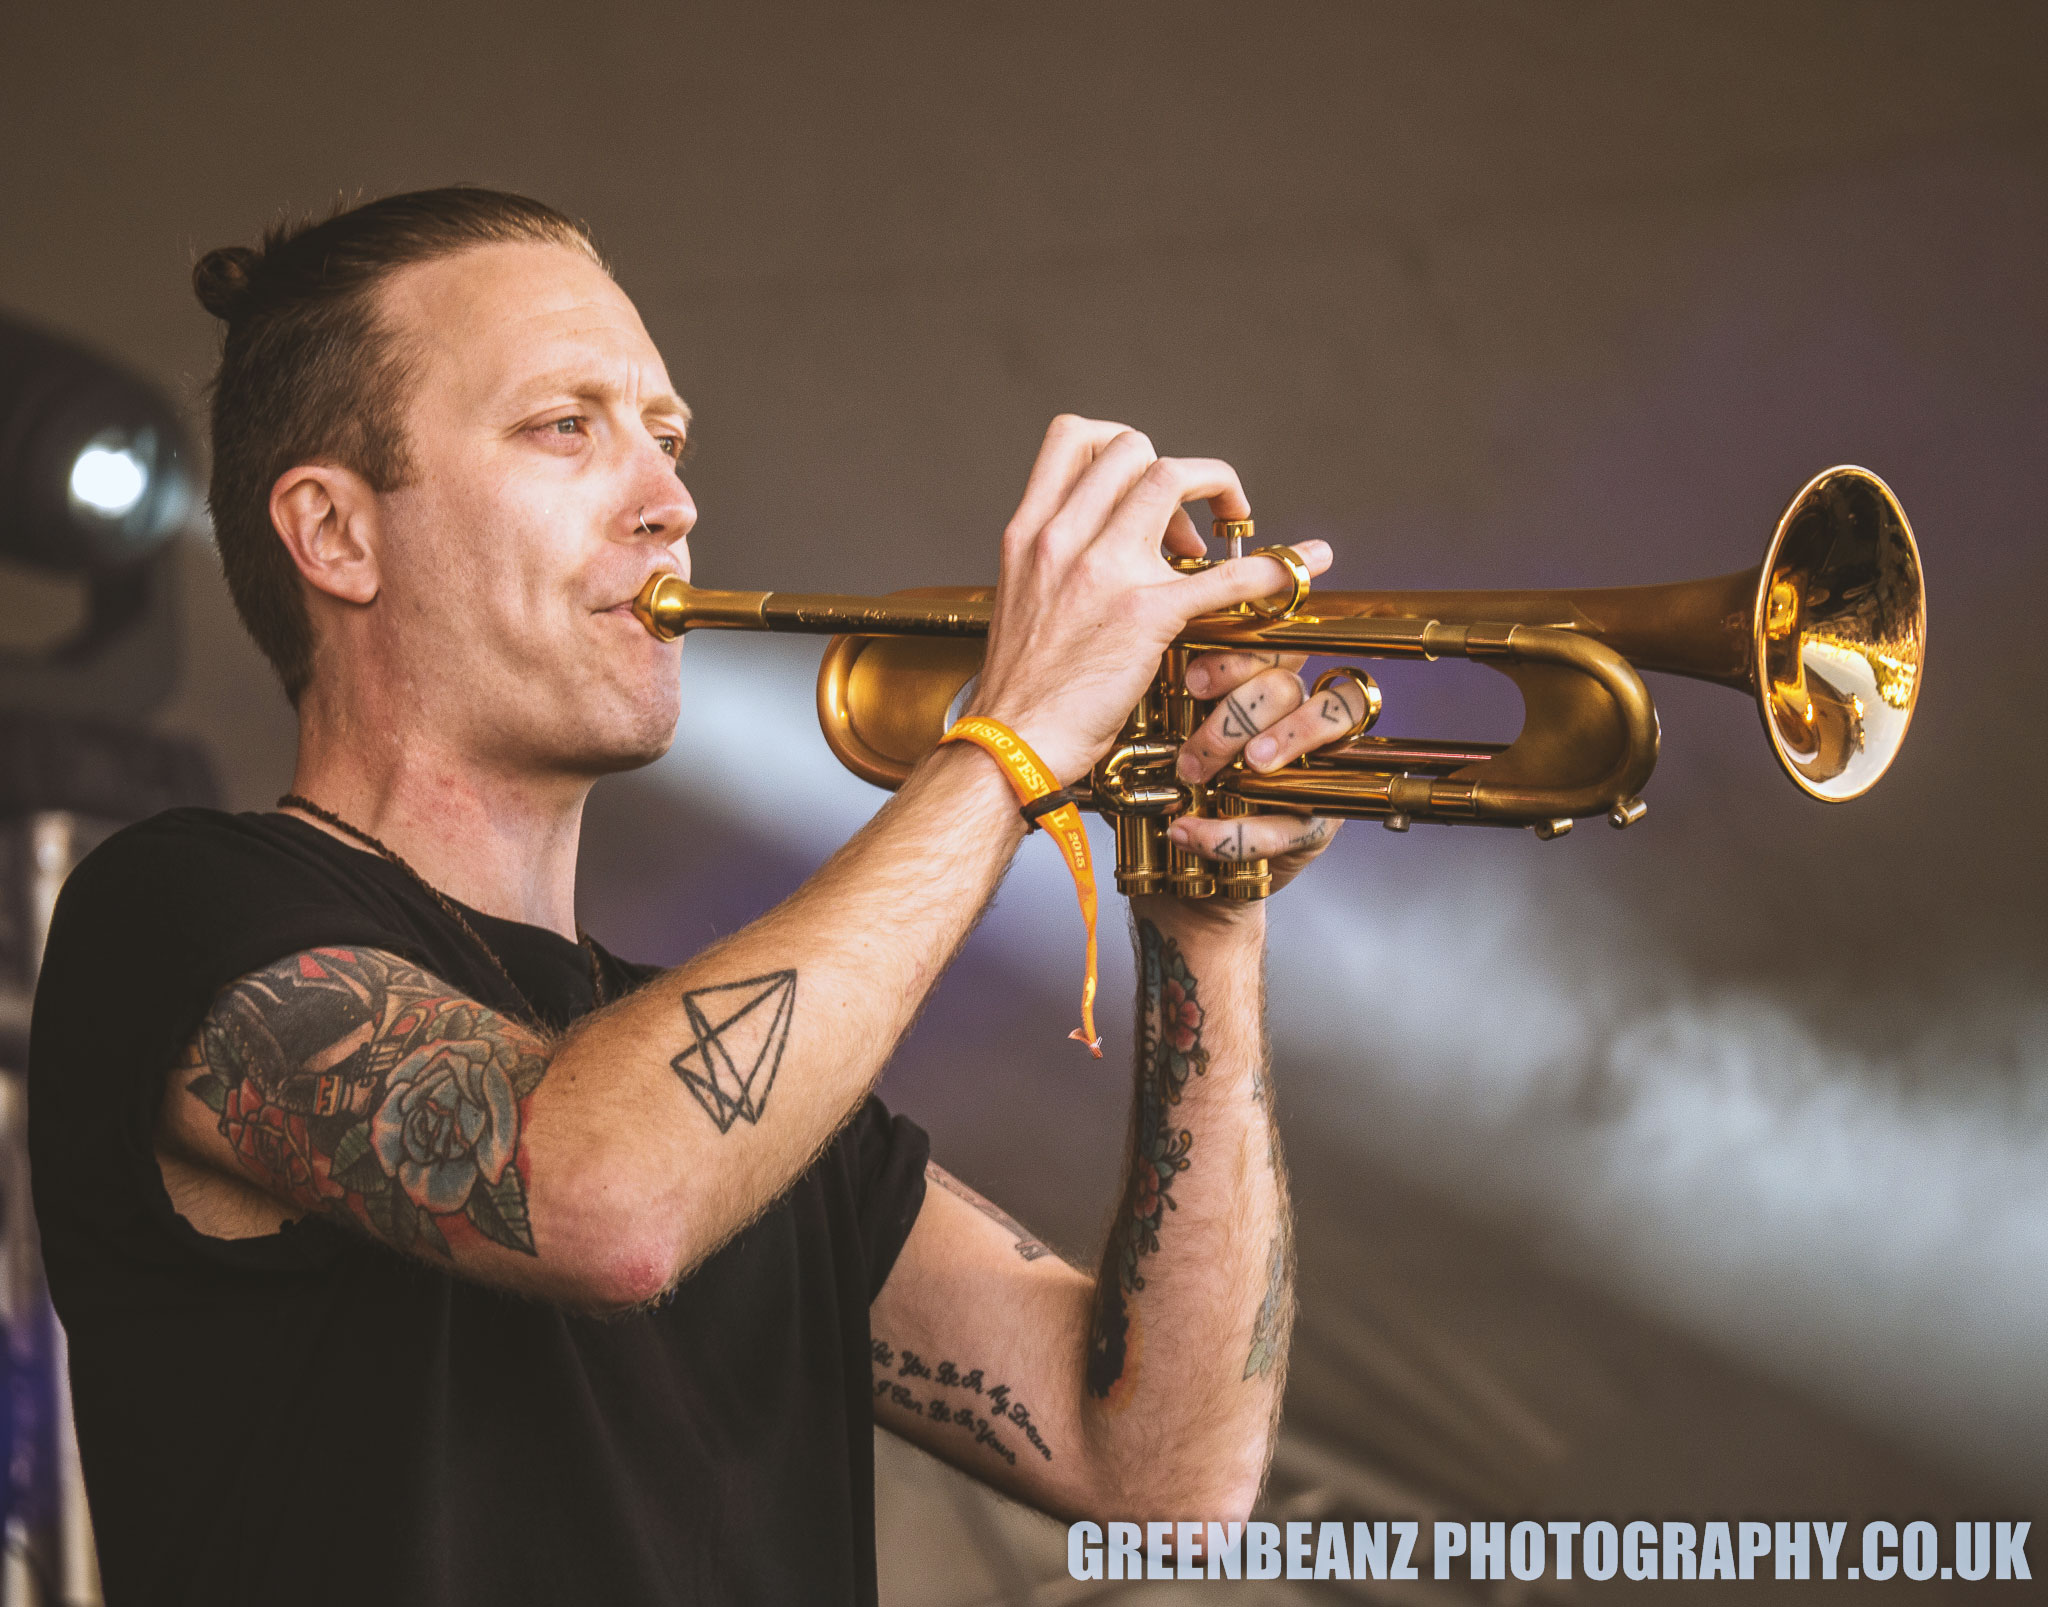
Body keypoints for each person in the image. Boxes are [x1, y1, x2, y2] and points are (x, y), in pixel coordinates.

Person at [28, 188, 1363, 1606]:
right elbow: (598, 1198)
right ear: (336, 535)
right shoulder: (176, 914)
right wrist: (1019, 734)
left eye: (666, 438)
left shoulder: (743, 1102)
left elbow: (1166, 1487)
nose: (673, 501)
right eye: (568, 426)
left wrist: (1204, 926)